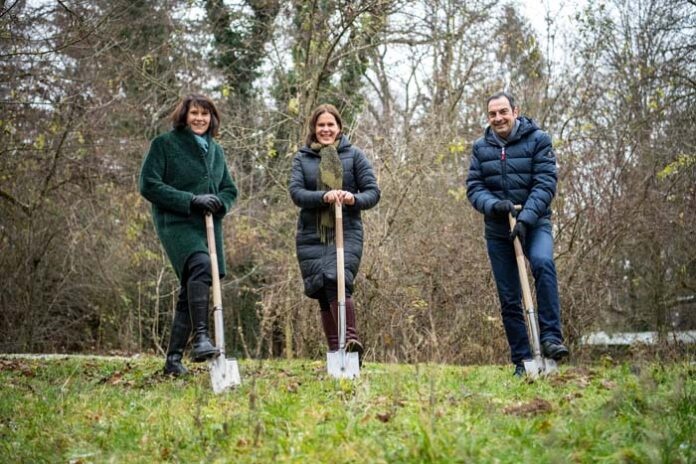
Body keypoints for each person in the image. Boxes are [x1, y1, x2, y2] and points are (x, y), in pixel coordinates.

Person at [466, 91, 569, 377]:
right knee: (509, 296)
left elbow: (546, 183)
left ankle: (551, 338)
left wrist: (526, 217)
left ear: (516, 111)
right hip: (499, 228)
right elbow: (474, 188)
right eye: (492, 114)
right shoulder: (480, 147)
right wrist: (494, 205)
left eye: (503, 112)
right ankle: (522, 360)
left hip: (535, 223)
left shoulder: (539, 140)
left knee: (543, 264)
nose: (498, 118)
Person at [139, 94, 238, 376]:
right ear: (184, 116)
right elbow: (148, 184)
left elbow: (230, 189)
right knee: (200, 266)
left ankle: (172, 360)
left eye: (205, 114)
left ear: (212, 119)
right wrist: (191, 200)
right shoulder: (164, 145)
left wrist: (221, 202)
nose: (199, 118)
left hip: (207, 226)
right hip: (176, 223)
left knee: (192, 284)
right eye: (194, 113)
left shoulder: (216, 151)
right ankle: (202, 339)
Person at [289, 104, 380, 364]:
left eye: (331, 125)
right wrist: (323, 196)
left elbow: (372, 192)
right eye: (321, 125)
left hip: (347, 230)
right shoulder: (302, 158)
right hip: (311, 235)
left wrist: (352, 198)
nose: (326, 129)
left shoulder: (355, 156)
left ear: (339, 127)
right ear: (314, 129)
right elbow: (296, 193)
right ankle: (335, 353)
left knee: (337, 277)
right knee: (321, 286)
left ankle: (350, 340)